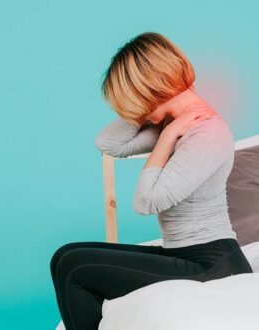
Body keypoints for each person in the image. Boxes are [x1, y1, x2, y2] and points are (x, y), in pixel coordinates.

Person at [50, 32, 253, 330]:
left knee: (74, 268)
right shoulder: (176, 124)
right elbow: (109, 144)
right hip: (184, 253)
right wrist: (153, 113)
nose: (134, 110)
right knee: (64, 256)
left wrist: (167, 137)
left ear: (149, 87)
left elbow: (146, 202)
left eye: (133, 99)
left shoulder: (206, 133)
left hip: (213, 263)